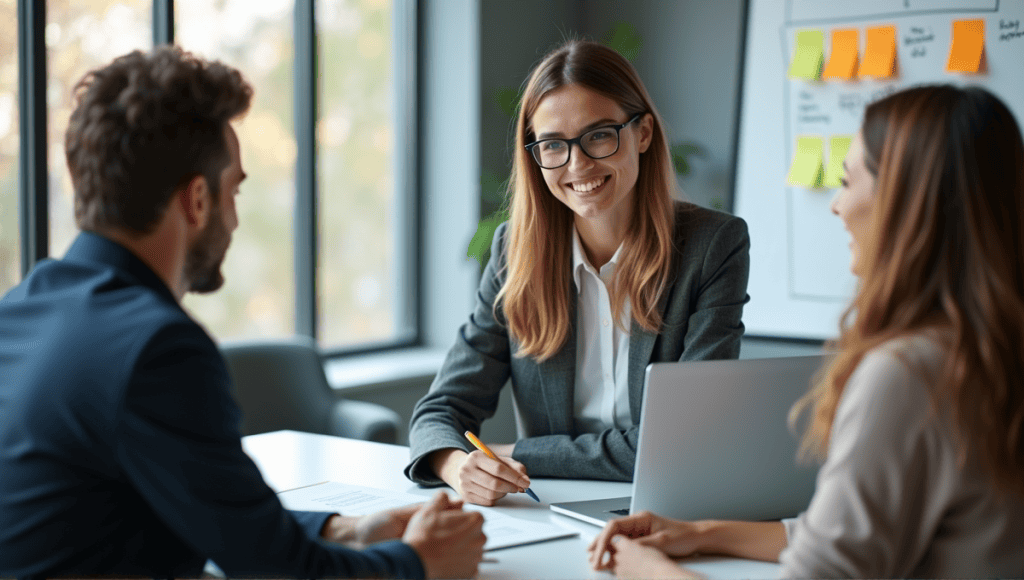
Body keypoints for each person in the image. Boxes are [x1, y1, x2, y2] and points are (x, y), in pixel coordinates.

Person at [0, 46, 485, 579]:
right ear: (198, 200)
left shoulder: (23, 310)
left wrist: (347, 529)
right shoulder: (155, 348)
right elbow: (278, 572)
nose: (234, 219)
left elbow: (197, 514)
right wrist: (420, 563)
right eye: (235, 191)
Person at [588, 85, 1024, 578]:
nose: (836, 206)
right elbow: (846, 535)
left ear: (906, 199)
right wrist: (704, 532)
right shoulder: (992, 348)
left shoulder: (905, 375)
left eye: (847, 181)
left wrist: (647, 571)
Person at [405, 39, 751, 506]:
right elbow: (439, 411)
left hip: (669, 508)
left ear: (643, 133)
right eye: (553, 145)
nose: (578, 163)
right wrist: (456, 464)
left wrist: (516, 453)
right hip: (548, 508)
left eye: (600, 135)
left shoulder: (713, 247)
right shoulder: (514, 250)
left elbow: (682, 445)